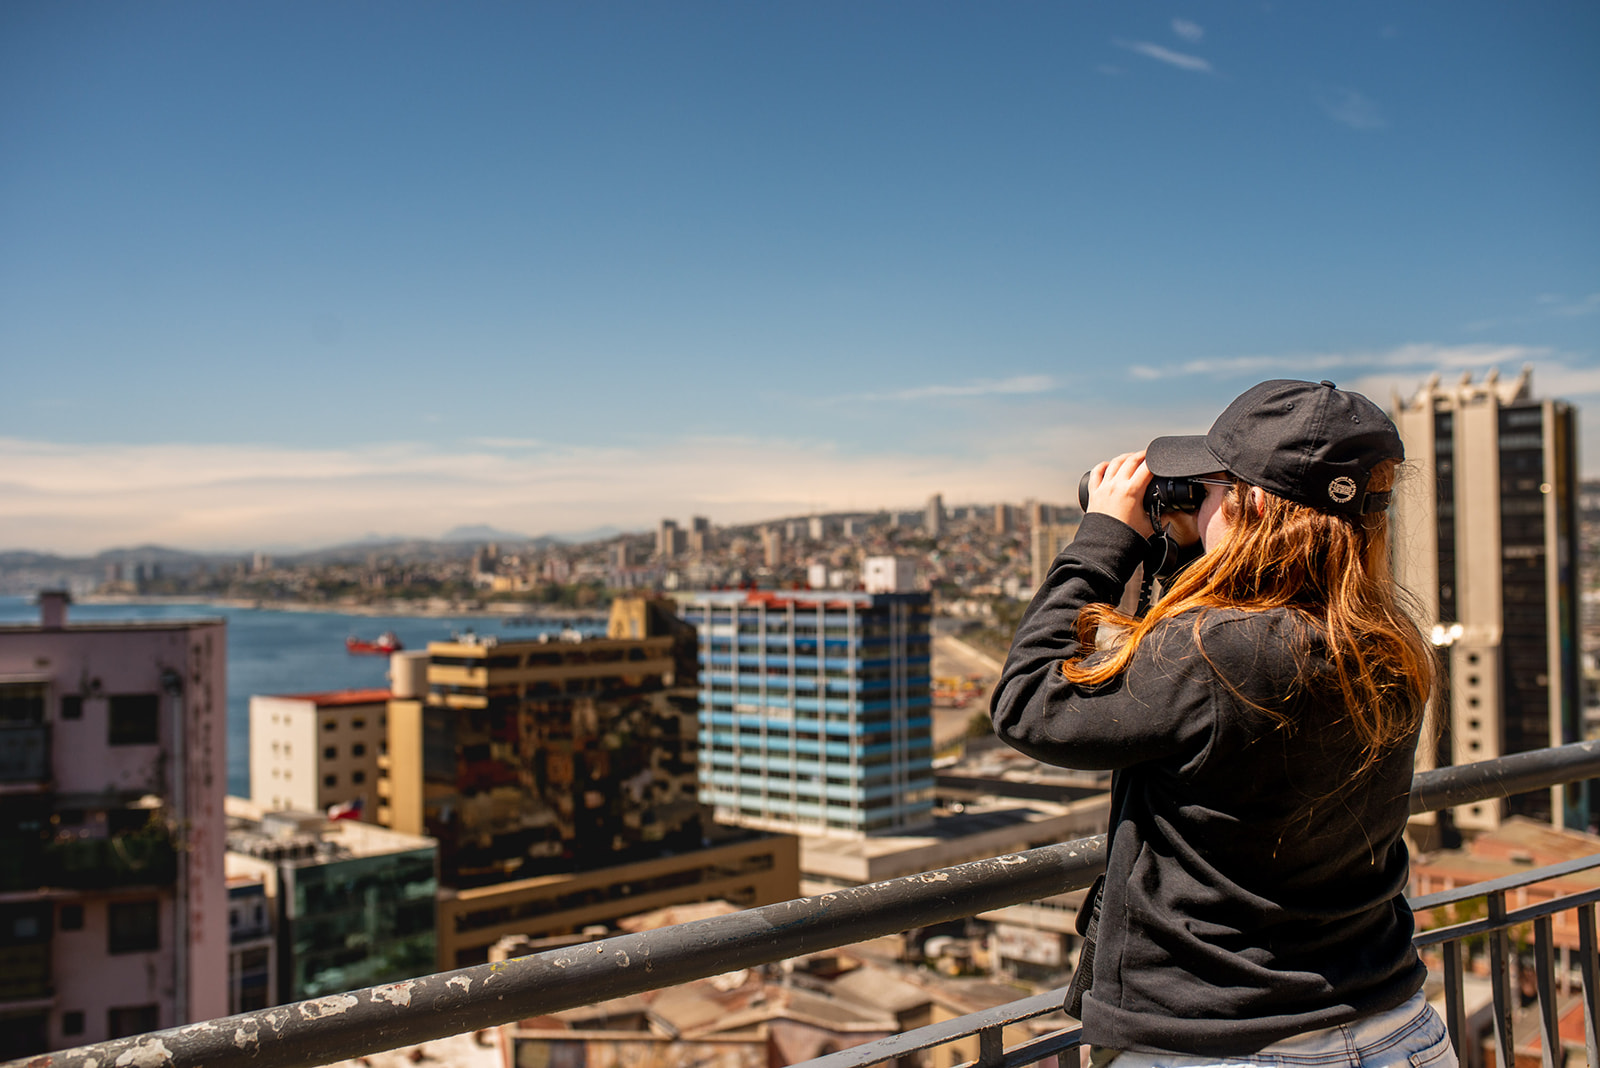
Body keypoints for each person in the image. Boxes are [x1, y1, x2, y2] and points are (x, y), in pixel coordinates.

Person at [990, 380, 1453, 1066]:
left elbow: (1027, 705)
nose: (1193, 505)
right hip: (1394, 1025)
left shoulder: (1215, 652)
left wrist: (1105, 540)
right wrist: (1184, 549)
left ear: (1256, 502)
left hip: (1232, 1041)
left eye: (1206, 489)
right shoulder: (1385, 641)